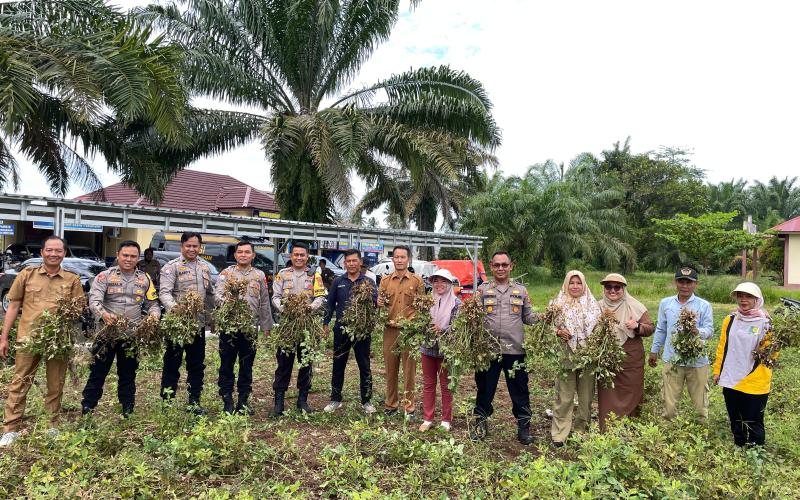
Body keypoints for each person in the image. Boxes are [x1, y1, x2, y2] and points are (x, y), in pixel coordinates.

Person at [0, 236, 85, 447]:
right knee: (20, 382)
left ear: (64, 253)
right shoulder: (26, 275)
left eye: (58, 251)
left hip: (57, 341)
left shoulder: (72, 279)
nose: (53, 254)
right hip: (28, 339)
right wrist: (4, 337)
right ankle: (11, 429)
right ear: (42, 252)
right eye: (49, 250)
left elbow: (78, 310)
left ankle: (52, 425)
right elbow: (13, 306)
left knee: (56, 384)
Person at [81, 241, 160, 417]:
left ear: (138, 258)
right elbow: (94, 301)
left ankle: (127, 409)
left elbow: (152, 303)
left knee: (128, 374)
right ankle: (87, 409)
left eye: (133, 256)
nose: (129, 259)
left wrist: (154, 316)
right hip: (106, 335)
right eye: (125, 255)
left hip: (131, 335)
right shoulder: (104, 276)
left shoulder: (145, 279)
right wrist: (103, 314)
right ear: (118, 255)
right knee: (97, 373)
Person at [471, 251, 537, 445]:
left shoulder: (521, 291)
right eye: (497, 265)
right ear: (491, 266)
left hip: (514, 350)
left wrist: (546, 316)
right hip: (488, 349)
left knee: (520, 389)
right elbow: (473, 316)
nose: (501, 268)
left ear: (511, 266)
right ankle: (480, 422)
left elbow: (528, 317)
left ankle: (524, 426)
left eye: (504, 265)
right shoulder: (482, 290)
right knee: (484, 388)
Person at [159, 232, 215, 415]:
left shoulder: (204, 267)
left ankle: (194, 402)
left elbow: (209, 295)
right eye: (188, 246)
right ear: (182, 246)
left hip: (197, 325)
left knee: (196, 365)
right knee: (172, 364)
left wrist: (212, 318)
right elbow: (164, 293)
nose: (192, 249)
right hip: (178, 325)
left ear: (200, 247)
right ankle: (167, 403)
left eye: (195, 246)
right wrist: (175, 308)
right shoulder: (171, 267)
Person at [215, 241, 273, 415]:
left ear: (253, 255)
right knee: (226, 365)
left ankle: (243, 401)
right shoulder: (226, 274)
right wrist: (230, 302)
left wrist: (266, 326)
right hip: (229, 328)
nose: (243, 255)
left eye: (247, 252)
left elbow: (264, 302)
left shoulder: (259, 275)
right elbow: (217, 296)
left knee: (246, 365)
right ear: (235, 255)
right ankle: (227, 400)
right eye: (240, 252)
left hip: (249, 328)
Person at [649, 267, 713, 419]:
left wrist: (697, 331)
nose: (685, 286)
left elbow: (710, 330)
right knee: (669, 405)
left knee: (700, 405)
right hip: (672, 359)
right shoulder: (666, 303)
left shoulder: (703, 305)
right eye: (681, 282)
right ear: (675, 282)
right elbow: (661, 329)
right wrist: (654, 350)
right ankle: (668, 429)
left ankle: (700, 430)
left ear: (696, 284)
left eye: (689, 282)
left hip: (697, 361)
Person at [713, 282, 772, 446]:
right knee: (736, 419)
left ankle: (755, 451)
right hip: (731, 377)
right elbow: (722, 346)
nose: (743, 300)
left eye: (748, 296)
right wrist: (717, 371)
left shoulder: (766, 323)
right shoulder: (730, 319)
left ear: (757, 299)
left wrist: (765, 349)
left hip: (754, 380)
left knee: (754, 421)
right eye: (740, 296)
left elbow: (772, 354)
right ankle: (739, 446)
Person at [271, 242, 326, 416]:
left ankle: (302, 401)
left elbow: (320, 297)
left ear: (307, 257)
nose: (299, 258)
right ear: (291, 256)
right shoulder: (282, 274)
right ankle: (278, 403)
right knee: (283, 363)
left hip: (307, 326)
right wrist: (284, 309)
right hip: (287, 325)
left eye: (302, 255)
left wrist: (310, 308)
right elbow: (276, 297)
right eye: (296, 254)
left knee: (306, 363)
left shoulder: (314, 275)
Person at [596, 273, 655, 431]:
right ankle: (608, 430)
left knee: (632, 392)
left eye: (617, 287)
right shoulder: (597, 307)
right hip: (607, 359)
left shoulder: (635, 306)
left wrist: (637, 326)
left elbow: (650, 328)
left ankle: (629, 430)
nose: (612, 290)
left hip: (631, 359)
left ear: (624, 289)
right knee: (607, 394)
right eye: (608, 287)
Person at [550, 270, 601, 447]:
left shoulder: (593, 305)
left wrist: (593, 342)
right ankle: (559, 434)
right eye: (571, 283)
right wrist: (558, 332)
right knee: (564, 396)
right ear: (566, 284)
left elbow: (600, 329)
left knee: (586, 397)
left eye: (579, 283)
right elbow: (546, 327)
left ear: (584, 285)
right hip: (566, 354)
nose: (575, 286)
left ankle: (581, 431)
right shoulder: (556, 304)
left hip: (588, 355)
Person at [322, 249, 377, 414]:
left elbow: (375, 303)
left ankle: (366, 400)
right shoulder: (338, 281)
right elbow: (330, 304)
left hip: (361, 331)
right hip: (341, 330)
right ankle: (335, 399)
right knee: (338, 364)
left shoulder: (368, 282)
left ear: (360, 262)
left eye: (354, 261)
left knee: (364, 365)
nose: (351, 264)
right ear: (344, 263)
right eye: (348, 261)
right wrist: (325, 322)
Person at [378, 245, 425, 418]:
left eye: (402, 257)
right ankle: (391, 404)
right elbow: (381, 304)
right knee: (390, 369)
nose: (399, 260)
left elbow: (422, 307)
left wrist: (417, 324)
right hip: (390, 330)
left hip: (409, 332)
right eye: (396, 257)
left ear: (408, 259)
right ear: (393, 259)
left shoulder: (417, 281)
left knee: (409, 371)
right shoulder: (385, 281)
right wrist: (379, 304)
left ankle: (409, 407)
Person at [419, 269, 461, 432]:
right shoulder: (427, 302)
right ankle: (427, 419)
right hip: (427, 348)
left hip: (446, 351)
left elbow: (457, 328)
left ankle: (446, 420)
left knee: (446, 386)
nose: (439, 284)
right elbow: (420, 322)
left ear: (450, 284)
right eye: (436, 281)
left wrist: (442, 329)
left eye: (443, 281)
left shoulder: (456, 304)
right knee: (428, 384)